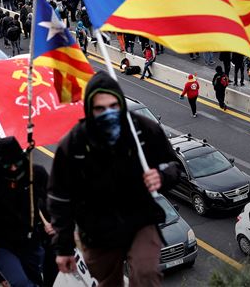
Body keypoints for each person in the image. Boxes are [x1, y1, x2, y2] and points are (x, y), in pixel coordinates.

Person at [48, 72, 181, 287]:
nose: (108, 113)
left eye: (113, 106)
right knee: (107, 281)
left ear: (121, 104)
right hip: (97, 230)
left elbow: (173, 165)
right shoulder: (74, 145)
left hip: (140, 219)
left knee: (146, 272)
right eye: (100, 109)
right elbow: (60, 199)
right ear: (89, 110)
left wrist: (162, 176)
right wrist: (63, 248)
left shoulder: (143, 130)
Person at [0, 136, 49, 287]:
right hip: (1, 243)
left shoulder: (36, 174)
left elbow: (53, 199)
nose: (13, 168)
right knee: (21, 282)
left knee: (37, 280)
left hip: (30, 240)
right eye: (7, 165)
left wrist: (53, 223)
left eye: (17, 163)